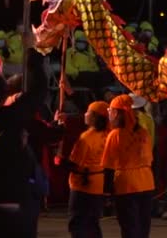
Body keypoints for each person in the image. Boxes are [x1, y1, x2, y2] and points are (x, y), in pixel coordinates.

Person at [0, 41, 48, 237]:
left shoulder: (12, 115)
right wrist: (34, 58)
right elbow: (39, 90)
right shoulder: (12, 116)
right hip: (14, 199)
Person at [102, 95, 155, 238]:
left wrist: (106, 192)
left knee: (129, 228)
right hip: (147, 183)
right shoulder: (143, 132)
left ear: (117, 113)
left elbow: (108, 165)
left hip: (126, 186)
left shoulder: (116, 134)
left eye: (111, 111)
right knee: (143, 227)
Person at [65, 101, 110, 238]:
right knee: (93, 224)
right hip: (99, 184)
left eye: (88, 112)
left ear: (94, 117)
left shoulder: (86, 138)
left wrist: (60, 158)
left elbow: (75, 162)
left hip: (82, 186)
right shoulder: (109, 134)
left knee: (77, 223)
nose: (85, 114)